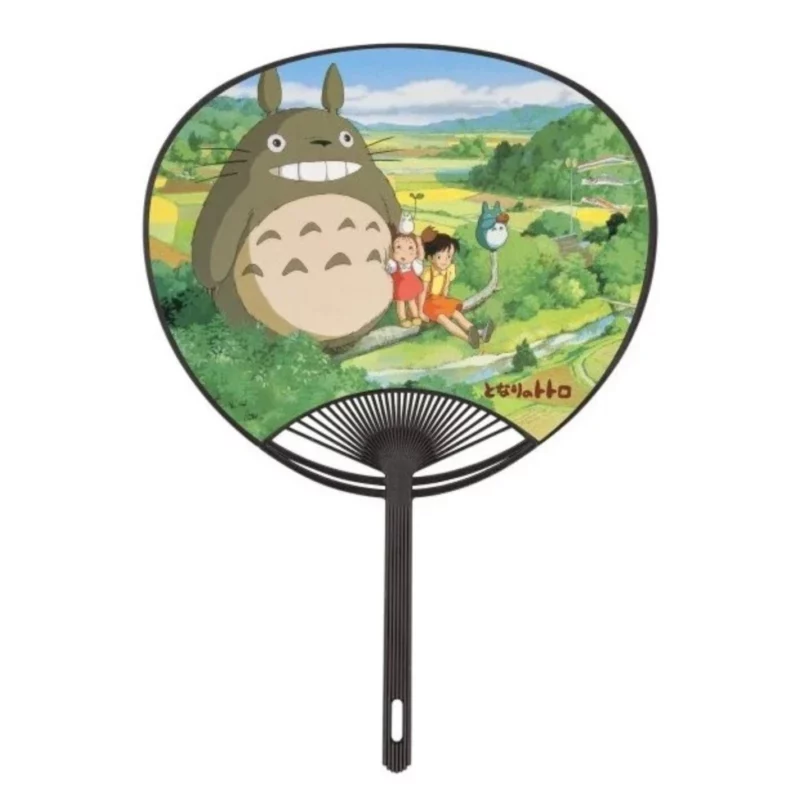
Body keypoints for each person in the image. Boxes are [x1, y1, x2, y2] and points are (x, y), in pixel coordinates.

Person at [419, 226, 494, 348]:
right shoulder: (428, 272)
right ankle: (468, 339)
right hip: (427, 304)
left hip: (439, 300)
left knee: (456, 314)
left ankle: (476, 331)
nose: (445, 261)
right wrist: (420, 313)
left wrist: (444, 300)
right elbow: (421, 293)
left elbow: (445, 288)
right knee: (444, 320)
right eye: (440, 257)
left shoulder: (448, 271)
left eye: (449, 257)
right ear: (430, 258)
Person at [385, 232, 424, 327]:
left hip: (410, 285)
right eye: (398, 247)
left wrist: (419, 244)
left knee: (411, 300)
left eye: (410, 247)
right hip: (400, 287)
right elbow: (389, 269)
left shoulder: (414, 264)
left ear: (416, 251)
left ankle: (415, 316)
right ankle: (403, 318)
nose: (404, 252)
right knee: (400, 302)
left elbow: (421, 257)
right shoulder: (394, 265)